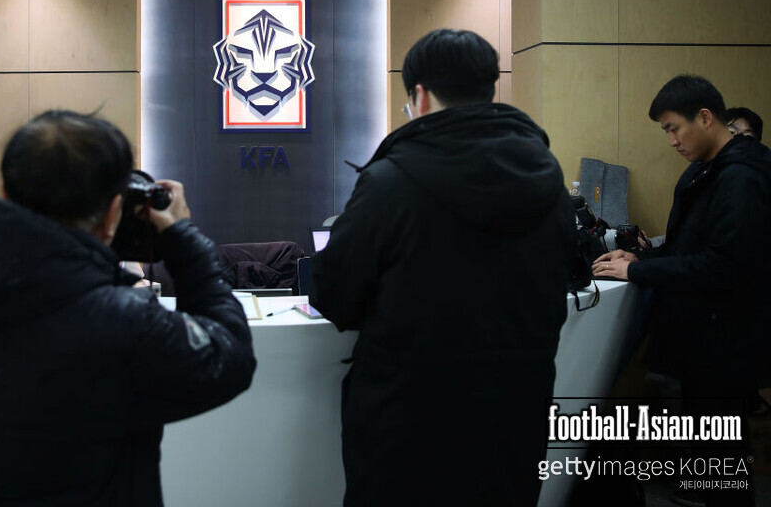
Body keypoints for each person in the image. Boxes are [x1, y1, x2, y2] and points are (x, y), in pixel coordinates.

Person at [0, 110, 256, 506]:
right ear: (113, 214)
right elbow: (230, 355)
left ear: (4, 192)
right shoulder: (115, 321)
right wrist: (180, 235)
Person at [309, 29, 576, 506]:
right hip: (516, 419)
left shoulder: (390, 181)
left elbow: (333, 294)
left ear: (419, 95)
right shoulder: (548, 176)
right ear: (489, 89)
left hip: (407, 431)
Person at [593, 75, 771, 507]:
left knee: (723, 463)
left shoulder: (741, 178)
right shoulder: (708, 172)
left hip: (724, 346)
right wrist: (638, 260)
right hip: (705, 341)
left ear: (706, 118)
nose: (671, 140)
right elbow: (689, 247)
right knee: (714, 460)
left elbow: (721, 266)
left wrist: (638, 275)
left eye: (674, 127)